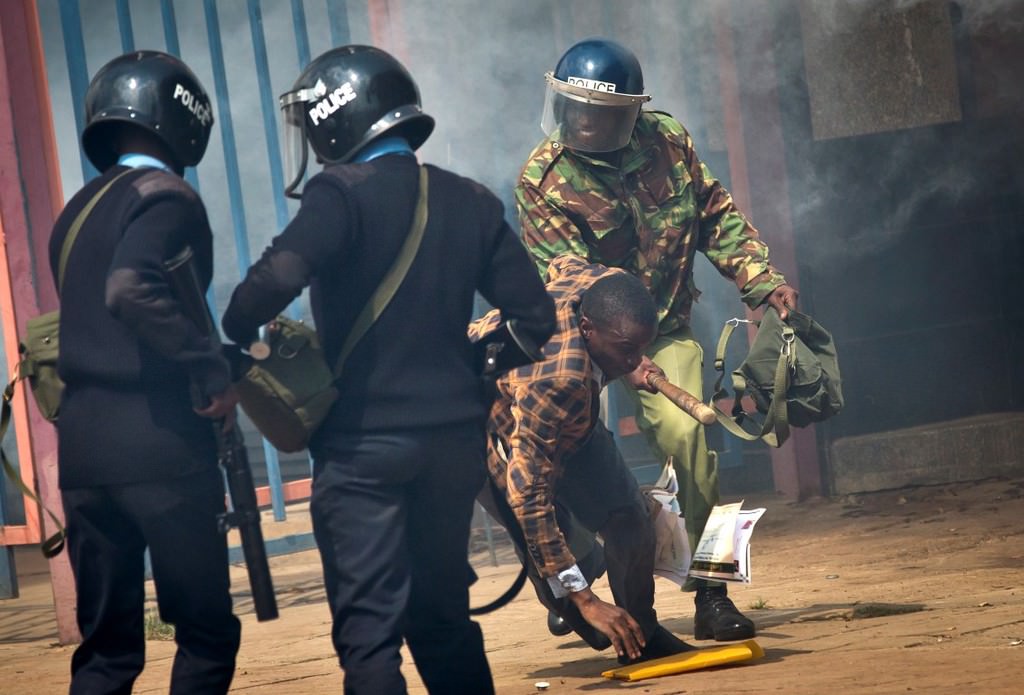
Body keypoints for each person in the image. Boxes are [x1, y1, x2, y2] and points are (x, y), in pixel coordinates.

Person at [221, 45, 555, 695]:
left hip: (362, 448)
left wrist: (235, 333)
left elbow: (276, 278)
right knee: (444, 620)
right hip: (453, 444)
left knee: (371, 631)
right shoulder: (470, 200)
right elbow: (533, 320)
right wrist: (471, 367)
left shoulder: (337, 193)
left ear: (335, 121)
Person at [515, 37, 801, 642]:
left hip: (662, 328)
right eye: (572, 107)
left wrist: (759, 279)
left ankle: (713, 589)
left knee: (694, 440)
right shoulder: (542, 179)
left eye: (598, 111)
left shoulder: (668, 141)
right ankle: (579, 576)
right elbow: (565, 279)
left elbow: (715, 214)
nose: (583, 120)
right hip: (584, 345)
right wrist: (617, 358)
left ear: (630, 113)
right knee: (554, 461)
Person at [50, 51, 240, 694]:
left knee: (105, 654)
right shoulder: (167, 197)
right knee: (206, 634)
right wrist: (209, 366)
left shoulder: (75, 212)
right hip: (158, 446)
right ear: (183, 124)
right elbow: (129, 290)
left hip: (81, 452)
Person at [469, 253, 696, 665]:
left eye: (640, 349)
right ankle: (577, 580)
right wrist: (585, 598)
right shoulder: (560, 380)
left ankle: (641, 633)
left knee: (629, 517)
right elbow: (528, 498)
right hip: (477, 425)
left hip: (569, 419)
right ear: (587, 330)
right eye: (626, 350)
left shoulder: (606, 283)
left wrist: (628, 358)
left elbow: (563, 262)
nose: (634, 360)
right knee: (579, 602)